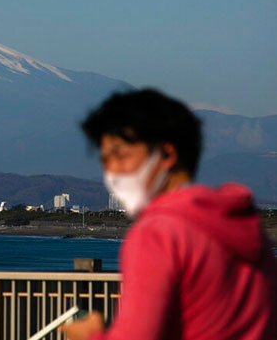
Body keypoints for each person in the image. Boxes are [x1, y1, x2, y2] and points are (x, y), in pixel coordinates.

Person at [60, 88, 276, 340]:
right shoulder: (245, 226)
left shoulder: (158, 234)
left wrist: (91, 335)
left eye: (121, 156)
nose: (111, 172)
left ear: (166, 154)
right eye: (106, 160)